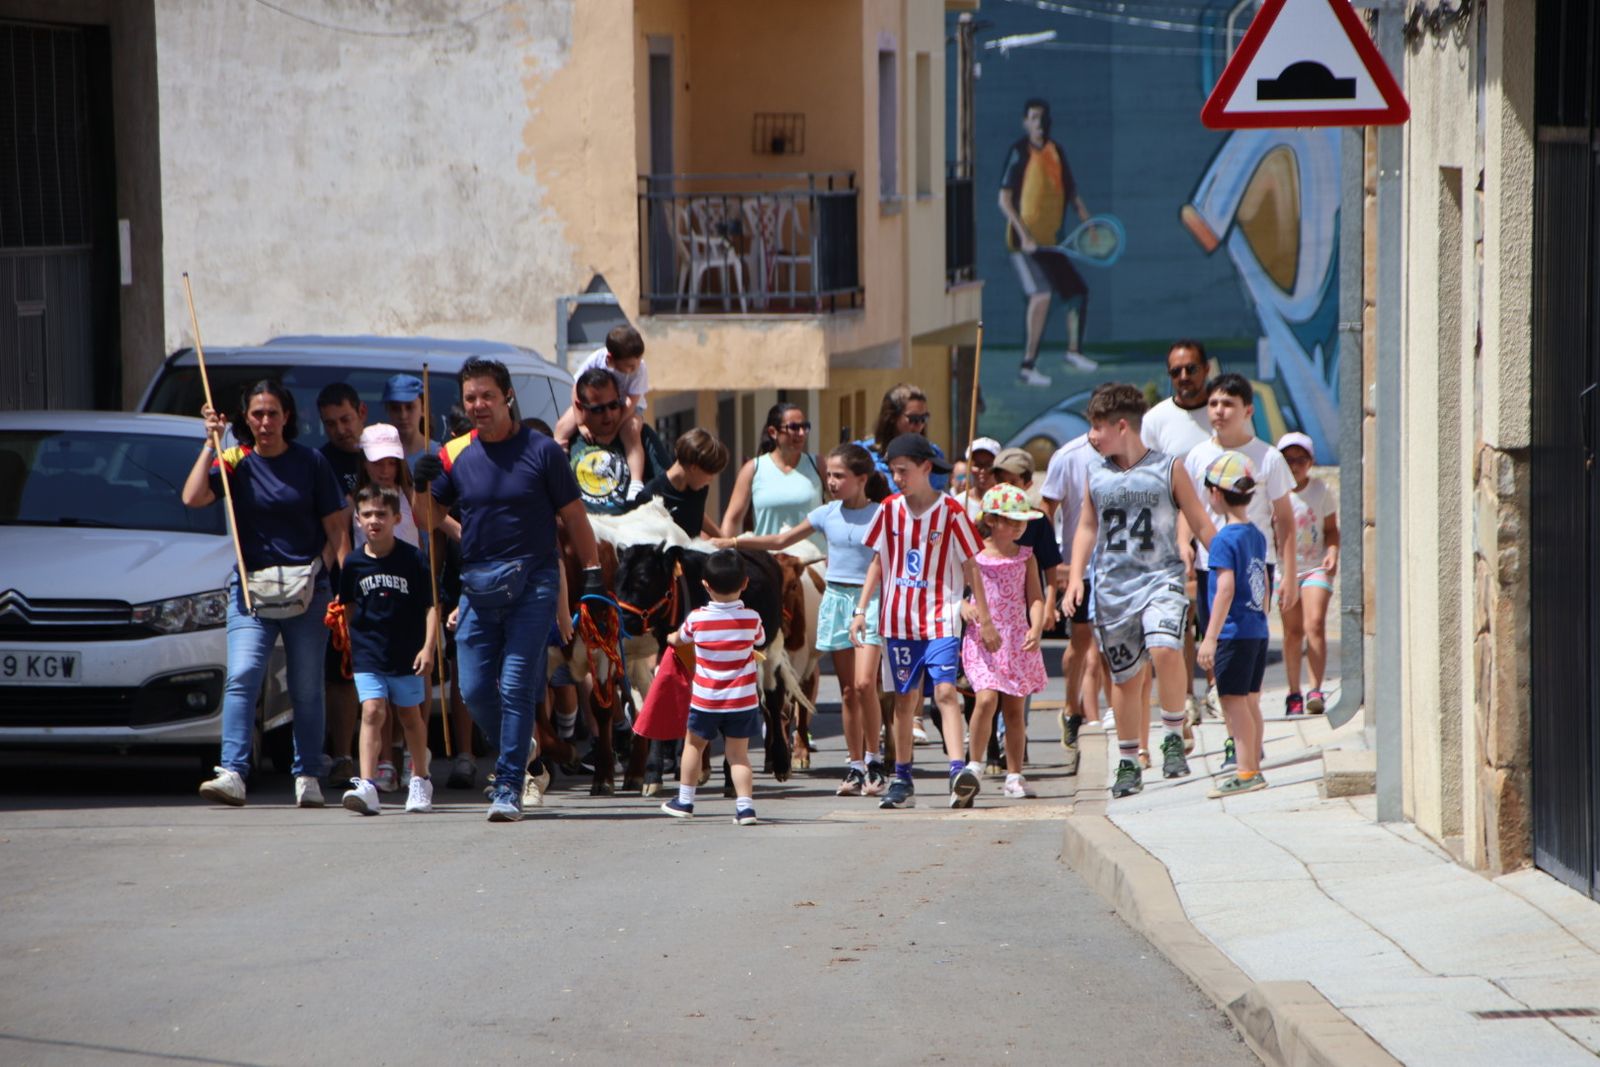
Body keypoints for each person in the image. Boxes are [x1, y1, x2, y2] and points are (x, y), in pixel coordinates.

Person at [415, 357, 603, 822]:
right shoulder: (456, 454)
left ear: (508, 398)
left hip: (534, 582)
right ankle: (522, 746)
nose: (478, 405)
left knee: (517, 684)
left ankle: (509, 784)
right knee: (475, 690)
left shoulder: (543, 452)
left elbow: (574, 516)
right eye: (470, 398)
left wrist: (593, 570)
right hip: (477, 585)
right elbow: (427, 519)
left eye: (487, 396)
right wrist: (419, 483)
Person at [183, 380, 348, 807]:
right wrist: (211, 443)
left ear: (287, 416)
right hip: (251, 591)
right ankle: (233, 772)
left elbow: (336, 527)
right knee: (242, 676)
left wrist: (341, 586)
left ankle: (307, 774)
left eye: (273, 413)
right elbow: (193, 497)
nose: (265, 422)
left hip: (307, 589)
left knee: (306, 687)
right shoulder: (235, 460)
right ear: (246, 418)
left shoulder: (310, 462)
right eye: (257, 414)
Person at [1064, 384, 1216, 799]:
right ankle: (1129, 761)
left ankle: (1173, 733)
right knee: (1127, 677)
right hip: (1112, 589)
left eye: (1097, 427)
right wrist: (1076, 577)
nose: (1091, 436)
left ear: (1121, 426)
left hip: (1160, 578)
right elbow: (1087, 527)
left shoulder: (1169, 468)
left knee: (1166, 647)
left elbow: (1200, 520)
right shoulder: (1095, 473)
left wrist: (1225, 560)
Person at [717, 443, 889, 797]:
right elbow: (782, 538)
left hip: (869, 602)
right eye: (830, 475)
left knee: (864, 684)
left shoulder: (882, 515)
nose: (832, 482)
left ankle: (875, 760)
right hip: (836, 600)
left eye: (840, 476)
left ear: (862, 479)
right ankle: (856, 765)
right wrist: (733, 541)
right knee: (847, 690)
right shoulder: (826, 513)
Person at [850, 433, 996, 810]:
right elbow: (878, 561)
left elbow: (971, 564)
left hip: (941, 617)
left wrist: (984, 615)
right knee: (904, 699)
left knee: (946, 692)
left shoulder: (951, 511)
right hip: (897, 621)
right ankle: (903, 779)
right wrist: (861, 610)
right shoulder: (888, 509)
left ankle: (957, 772)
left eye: (903, 471)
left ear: (926, 468)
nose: (897, 478)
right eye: (893, 471)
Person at [338, 485, 440, 816]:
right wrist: (356, 641)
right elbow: (349, 606)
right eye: (367, 514)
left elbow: (431, 606)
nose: (374, 520)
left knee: (409, 715)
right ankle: (367, 786)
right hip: (368, 652)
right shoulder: (353, 563)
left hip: (407, 651)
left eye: (382, 514)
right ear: (357, 519)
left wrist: (428, 648)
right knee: (371, 711)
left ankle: (420, 779)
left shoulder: (413, 559)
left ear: (397, 518)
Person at [1182, 375, 1298, 655]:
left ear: (1248, 410)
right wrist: (1183, 543)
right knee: (1213, 640)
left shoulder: (1269, 457)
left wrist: (1290, 574)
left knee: (1246, 642)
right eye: (1213, 404)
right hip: (1211, 562)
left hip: (1254, 563)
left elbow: (1285, 518)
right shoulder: (1197, 455)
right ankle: (1218, 684)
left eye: (1228, 404)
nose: (1219, 411)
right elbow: (1189, 509)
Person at [660, 548, 766, 825]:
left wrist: (670, 638)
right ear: (745, 583)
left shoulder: (697, 619)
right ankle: (745, 808)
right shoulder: (752, 618)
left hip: (706, 699)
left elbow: (680, 638)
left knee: (694, 746)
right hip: (742, 700)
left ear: (705, 585)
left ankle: (685, 800)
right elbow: (760, 640)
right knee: (738, 755)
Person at [1143, 340, 1218, 723]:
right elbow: (1147, 479)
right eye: (1176, 371)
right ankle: (1187, 696)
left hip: (1216, 528)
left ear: (1206, 370)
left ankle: (1217, 689)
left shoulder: (1220, 411)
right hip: (1170, 535)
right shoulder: (1156, 420)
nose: (1184, 377)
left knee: (1215, 611)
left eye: (1191, 369)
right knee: (1181, 616)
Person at [997, 97, 1096, 386]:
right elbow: (1004, 200)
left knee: (1077, 293)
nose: (1039, 123)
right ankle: (1027, 366)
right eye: (1034, 118)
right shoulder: (1019, 153)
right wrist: (1025, 235)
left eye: (1043, 118)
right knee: (1041, 295)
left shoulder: (1056, 152)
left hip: (1051, 244)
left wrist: (1089, 224)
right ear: (1025, 123)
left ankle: (1074, 352)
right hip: (1022, 246)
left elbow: (1072, 194)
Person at [961, 485, 1049, 801]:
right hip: (983, 639)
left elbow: (1035, 597)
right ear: (992, 520)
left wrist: (1036, 626)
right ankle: (973, 765)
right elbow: (953, 591)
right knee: (986, 699)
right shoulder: (973, 556)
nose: (1018, 527)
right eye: (1012, 521)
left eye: (1021, 522)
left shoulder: (1026, 557)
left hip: (1015, 639)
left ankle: (1014, 775)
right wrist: (964, 606)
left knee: (1014, 710)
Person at [1196, 452, 1271, 797]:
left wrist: (1210, 637)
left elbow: (1224, 589)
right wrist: (1262, 616)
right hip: (1256, 630)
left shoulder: (1224, 540)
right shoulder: (1255, 534)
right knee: (1251, 702)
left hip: (1233, 633)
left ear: (1215, 493)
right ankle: (1253, 766)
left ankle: (1245, 773)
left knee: (1233, 703)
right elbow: (1263, 581)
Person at [1039, 431, 1104, 765]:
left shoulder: (1131, 450)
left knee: (1103, 647)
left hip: (1117, 565)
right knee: (1081, 640)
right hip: (1078, 566)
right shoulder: (1068, 456)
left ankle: (1095, 717)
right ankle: (1070, 707)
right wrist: (1054, 563)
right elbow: (1046, 508)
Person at [315, 382, 366, 786]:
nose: (340, 429)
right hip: (335, 580)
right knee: (340, 673)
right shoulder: (319, 462)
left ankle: (393, 758)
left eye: (345, 419)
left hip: (386, 574)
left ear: (361, 412)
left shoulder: (380, 454)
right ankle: (343, 755)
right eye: (330, 423)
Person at [1277, 432, 1339, 714]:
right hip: (1284, 571)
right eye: (1288, 459)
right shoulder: (1275, 493)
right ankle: (1293, 693)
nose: (1294, 465)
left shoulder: (1320, 491)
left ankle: (1315, 689)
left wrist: (1332, 551)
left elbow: (1331, 530)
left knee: (1314, 623)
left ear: (1310, 462)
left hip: (1315, 566)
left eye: (1300, 459)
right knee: (1292, 632)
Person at [720, 401, 825, 552]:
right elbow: (732, 519)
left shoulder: (818, 465)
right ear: (773, 432)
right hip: (769, 562)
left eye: (805, 426)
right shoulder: (753, 469)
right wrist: (726, 553)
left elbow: (841, 506)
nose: (801, 433)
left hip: (814, 561)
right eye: (794, 427)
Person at [555, 325, 650, 485]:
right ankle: (558, 469)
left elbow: (632, 401)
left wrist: (614, 429)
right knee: (561, 428)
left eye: (639, 361)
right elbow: (576, 388)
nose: (635, 368)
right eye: (629, 366)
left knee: (631, 431)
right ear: (611, 359)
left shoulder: (640, 369)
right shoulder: (597, 358)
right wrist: (581, 423)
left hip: (627, 408)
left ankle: (636, 482)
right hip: (593, 406)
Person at [567, 367, 641, 513]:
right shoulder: (568, 440)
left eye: (613, 405)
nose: (608, 415)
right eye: (598, 409)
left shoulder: (636, 432)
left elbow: (666, 486)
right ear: (580, 407)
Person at [633, 427, 729, 538]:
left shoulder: (699, 487)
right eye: (710, 474)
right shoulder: (650, 496)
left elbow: (694, 513)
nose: (711, 480)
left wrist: (724, 539)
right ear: (694, 468)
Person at [858, 383, 949, 493]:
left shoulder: (934, 454)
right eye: (913, 419)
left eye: (924, 418)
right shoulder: (862, 455)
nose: (920, 425)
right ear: (892, 417)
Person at [381, 374, 439, 470]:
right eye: (395, 408)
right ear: (388, 411)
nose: (403, 416)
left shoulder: (438, 455)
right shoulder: (377, 455)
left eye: (409, 407)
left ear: (423, 409)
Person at [959, 436, 1000, 521]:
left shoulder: (1006, 501)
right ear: (969, 467)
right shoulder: (959, 502)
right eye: (977, 465)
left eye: (989, 465)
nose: (983, 470)